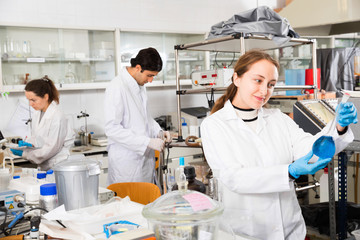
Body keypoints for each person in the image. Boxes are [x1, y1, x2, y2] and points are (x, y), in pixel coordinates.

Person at [200, 50, 357, 239]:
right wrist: (288, 172)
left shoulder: (277, 119)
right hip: (245, 232)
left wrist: (338, 126)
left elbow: (309, 148)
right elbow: (234, 177)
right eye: (257, 80)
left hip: (290, 229)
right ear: (237, 79)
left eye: (271, 84)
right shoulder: (214, 125)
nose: (264, 91)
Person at [104, 47, 171, 185]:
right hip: (127, 164)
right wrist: (147, 142)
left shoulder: (139, 85)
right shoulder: (117, 87)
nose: (151, 80)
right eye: (149, 75)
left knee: (146, 202)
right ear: (138, 67)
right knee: (130, 204)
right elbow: (112, 129)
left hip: (144, 162)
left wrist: (159, 131)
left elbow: (145, 118)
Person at [10, 76, 75, 171]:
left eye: (33, 100)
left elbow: (50, 148)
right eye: (28, 100)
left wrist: (25, 154)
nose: (30, 104)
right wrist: (29, 144)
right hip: (44, 166)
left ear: (46, 97)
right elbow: (39, 138)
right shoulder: (37, 113)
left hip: (58, 166)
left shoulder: (57, 116)